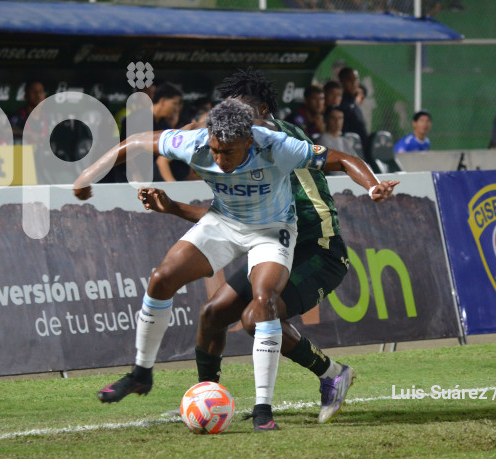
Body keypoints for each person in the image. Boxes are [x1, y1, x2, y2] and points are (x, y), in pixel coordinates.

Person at [75, 99, 396, 431]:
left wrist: (372, 185)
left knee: (262, 305)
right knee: (164, 280)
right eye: (215, 150)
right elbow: (137, 142)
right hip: (224, 223)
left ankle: (264, 410)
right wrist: (88, 174)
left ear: (249, 139)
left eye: (228, 152)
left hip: (274, 232)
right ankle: (146, 375)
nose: (219, 159)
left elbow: (343, 159)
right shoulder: (196, 141)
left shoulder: (278, 146)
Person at [104, 82, 184, 183]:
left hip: (148, 176)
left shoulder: (163, 124)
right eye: (174, 104)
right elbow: (126, 150)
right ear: (163, 101)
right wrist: (135, 174)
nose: (177, 109)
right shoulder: (138, 119)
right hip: (127, 177)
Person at [338, 67, 369, 157]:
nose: (353, 83)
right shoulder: (342, 104)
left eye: (355, 79)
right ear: (342, 82)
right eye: (349, 80)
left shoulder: (354, 102)